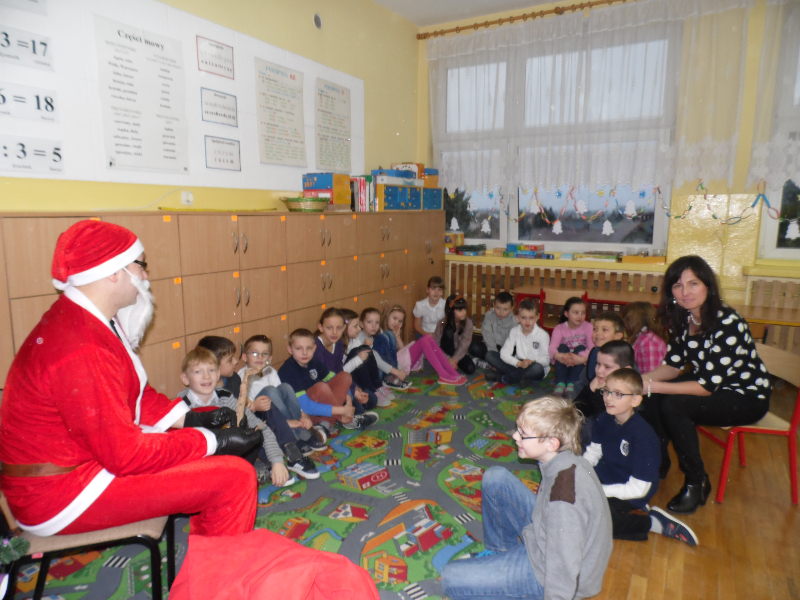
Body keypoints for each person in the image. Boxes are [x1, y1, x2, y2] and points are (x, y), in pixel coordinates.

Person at [0, 220, 262, 537]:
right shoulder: (82, 347)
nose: (145, 276)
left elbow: (135, 395)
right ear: (113, 271)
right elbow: (126, 455)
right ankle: (219, 567)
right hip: (61, 493)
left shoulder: (87, 320)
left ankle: (207, 550)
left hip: (83, 464)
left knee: (209, 437)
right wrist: (212, 441)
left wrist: (193, 419)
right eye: (141, 266)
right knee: (235, 477)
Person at [440, 396, 612, 600]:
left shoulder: (562, 497)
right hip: (547, 536)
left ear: (551, 443)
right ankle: (499, 553)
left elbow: (564, 565)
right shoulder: (569, 461)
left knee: (450, 578)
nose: (515, 436)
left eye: (523, 434)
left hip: (549, 573)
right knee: (496, 478)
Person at [642, 255, 770, 514]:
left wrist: (651, 386)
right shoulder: (682, 318)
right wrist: (643, 380)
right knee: (653, 397)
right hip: (713, 384)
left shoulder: (728, 322)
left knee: (673, 406)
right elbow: (673, 366)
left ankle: (696, 481)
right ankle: (658, 461)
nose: (685, 292)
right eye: (678, 285)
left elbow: (705, 387)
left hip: (746, 396)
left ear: (708, 287)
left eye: (693, 284)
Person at [583, 369, 698, 545]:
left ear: (636, 400)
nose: (608, 398)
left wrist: (599, 490)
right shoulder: (604, 419)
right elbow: (594, 452)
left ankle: (652, 523)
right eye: (606, 391)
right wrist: (581, 472)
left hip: (633, 490)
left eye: (618, 394)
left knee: (594, 520)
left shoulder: (643, 436)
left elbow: (639, 489)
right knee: (576, 505)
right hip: (605, 479)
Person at [178, 347, 319, 484]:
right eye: (198, 372)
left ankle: (279, 461)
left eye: (211, 370)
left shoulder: (225, 397)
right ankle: (248, 469)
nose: (206, 376)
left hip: (233, 452)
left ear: (218, 373)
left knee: (255, 427)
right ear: (185, 378)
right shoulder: (180, 407)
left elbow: (260, 427)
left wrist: (277, 461)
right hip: (206, 461)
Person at [278, 329, 377, 433]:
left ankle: (327, 423)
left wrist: (348, 403)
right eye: (299, 348)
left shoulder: (313, 362)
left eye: (309, 348)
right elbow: (305, 407)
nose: (305, 353)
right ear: (289, 350)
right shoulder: (288, 370)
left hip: (323, 408)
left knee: (345, 376)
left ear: (314, 348)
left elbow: (338, 380)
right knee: (321, 387)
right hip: (304, 415)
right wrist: (342, 410)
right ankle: (345, 420)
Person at [374, 305, 467, 386]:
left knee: (428, 338)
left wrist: (397, 337)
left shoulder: (394, 332)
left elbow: (402, 351)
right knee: (424, 341)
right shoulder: (381, 333)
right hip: (392, 367)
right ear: (387, 317)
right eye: (394, 318)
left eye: (400, 321)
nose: (396, 323)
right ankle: (444, 374)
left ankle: (451, 371)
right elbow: (386, 357)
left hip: (401, 363)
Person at [314, 307, 379, 416]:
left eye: (339, 328)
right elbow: (324, 380)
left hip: (337, 384)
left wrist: (354, 388)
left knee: (372, 400)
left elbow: (340, 372)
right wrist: (350, 392)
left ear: (344, 328)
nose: (335, 332)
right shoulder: (316, 347)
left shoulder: (338, 343)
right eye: (329, 328)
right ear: (321, 327)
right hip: (323, 390)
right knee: (359, 409)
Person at [489, 299, 549, 388]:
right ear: (517, 318)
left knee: (537, 368)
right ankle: (523, 378)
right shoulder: (514, 331)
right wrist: (519, 363)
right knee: (490, 355)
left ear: (537, 317)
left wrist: (532, 362)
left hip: (534, 366)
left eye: (531, 318)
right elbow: (504, 353)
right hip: (518, 364)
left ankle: (505, 378)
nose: (527, 322)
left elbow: (546, 359)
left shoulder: (543, 335)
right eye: (524, 318)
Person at [569, 311, 626, 400]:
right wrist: (573, 402)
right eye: (595, 329)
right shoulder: (595, 353)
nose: (598, 333)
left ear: (618, 335)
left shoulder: (624, 356)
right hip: (592, 398)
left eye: (604, 330)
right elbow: (582, 382)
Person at [549, 296, 594, 397]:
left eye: (583, 313)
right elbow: (552, 346)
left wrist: (582, 359)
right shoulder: (559, 328)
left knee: (581, 348)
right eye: (576, 312)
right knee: (562, 347)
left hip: (579, 363)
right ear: (566, 313)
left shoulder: (588, 327)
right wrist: (557, 355)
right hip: (564, 361)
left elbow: (592, 348)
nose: (580, 316)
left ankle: (572, 383)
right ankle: (560, 383)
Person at [468, 291, 516, 372]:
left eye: (505, 309)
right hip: (490, 347)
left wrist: (500, 356)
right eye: (498, 308)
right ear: (493, 305)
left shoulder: (514, 321)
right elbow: (487, 337)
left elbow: (511, 341)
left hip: (505, 349)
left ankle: (491, 363)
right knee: (474, 347)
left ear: (511, 309)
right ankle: (497, 364)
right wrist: (493, 354)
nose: (501, 312)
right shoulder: (489, 315)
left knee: (516, 352)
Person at [622, 301, 668, 375]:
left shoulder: (649, 342)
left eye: (627, 320)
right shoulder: (642, 339)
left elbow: (652, 377)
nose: (625, 324)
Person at [434, 294, 475, 375]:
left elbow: (464, 345)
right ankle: (446, 363)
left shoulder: (468, 323)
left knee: (470, 368)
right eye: (459, 310)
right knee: (448, 331)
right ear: (451, 311)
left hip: (459, 353)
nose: (463, 312)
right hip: (445, 353)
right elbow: (436, 344)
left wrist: (455, 359)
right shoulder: (442, 324)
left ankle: (451, 364)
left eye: (464, 309)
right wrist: (448, 359)